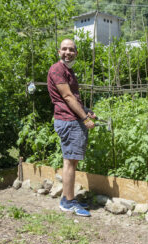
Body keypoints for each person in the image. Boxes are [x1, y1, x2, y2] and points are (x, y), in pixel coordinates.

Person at [47, 38, 96, 217]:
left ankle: (68, 199)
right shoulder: (57, 69)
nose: (68, 52)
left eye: (71, 49)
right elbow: (67, 97)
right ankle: (68, 202)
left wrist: (86, 111)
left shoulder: (68, 70)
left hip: (72, 119)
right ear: (59, 52)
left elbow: (73, 98)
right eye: (64, 49)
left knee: (71, 161)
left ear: (76, 53)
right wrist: (84, 118)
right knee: (69, 162)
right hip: (69, 121)